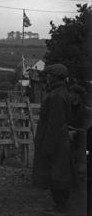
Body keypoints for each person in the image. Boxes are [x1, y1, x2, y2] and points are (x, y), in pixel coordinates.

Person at [32, 63, 75, 214]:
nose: (47, 79)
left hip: (55, 142)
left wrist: (48, 146)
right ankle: (60, 205)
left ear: (56, 78)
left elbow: (54, 124)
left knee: (58, 175)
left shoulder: (57, 95)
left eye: (49, 76)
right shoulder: (60, 92)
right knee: (58, 173)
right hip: (58, 141)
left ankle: (61, 206)